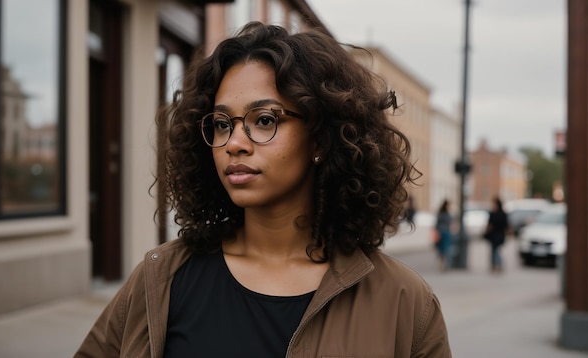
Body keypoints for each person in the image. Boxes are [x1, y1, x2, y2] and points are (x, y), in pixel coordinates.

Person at [75, 22, 451, 357]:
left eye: (265, 119)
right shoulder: (161, 280)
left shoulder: (405, 303)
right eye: (222, 124)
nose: (234, 142)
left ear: (321, 139)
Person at [484, 196, 509, 273]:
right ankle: (494, 265)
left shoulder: (500, 214)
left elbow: (506, 225)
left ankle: (498, 264)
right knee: (493, 250)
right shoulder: (494, 213)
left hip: (499, 234)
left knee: (495, 251)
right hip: (493, 234)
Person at [434, 199, 453, 271]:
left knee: (441, 249)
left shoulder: (440, 214)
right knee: (446, 249)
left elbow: (436, 224)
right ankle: (444, 264)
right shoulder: (447, 214)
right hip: (445, 233)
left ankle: (442, 263)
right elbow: (450, 223)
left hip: (440, 232)